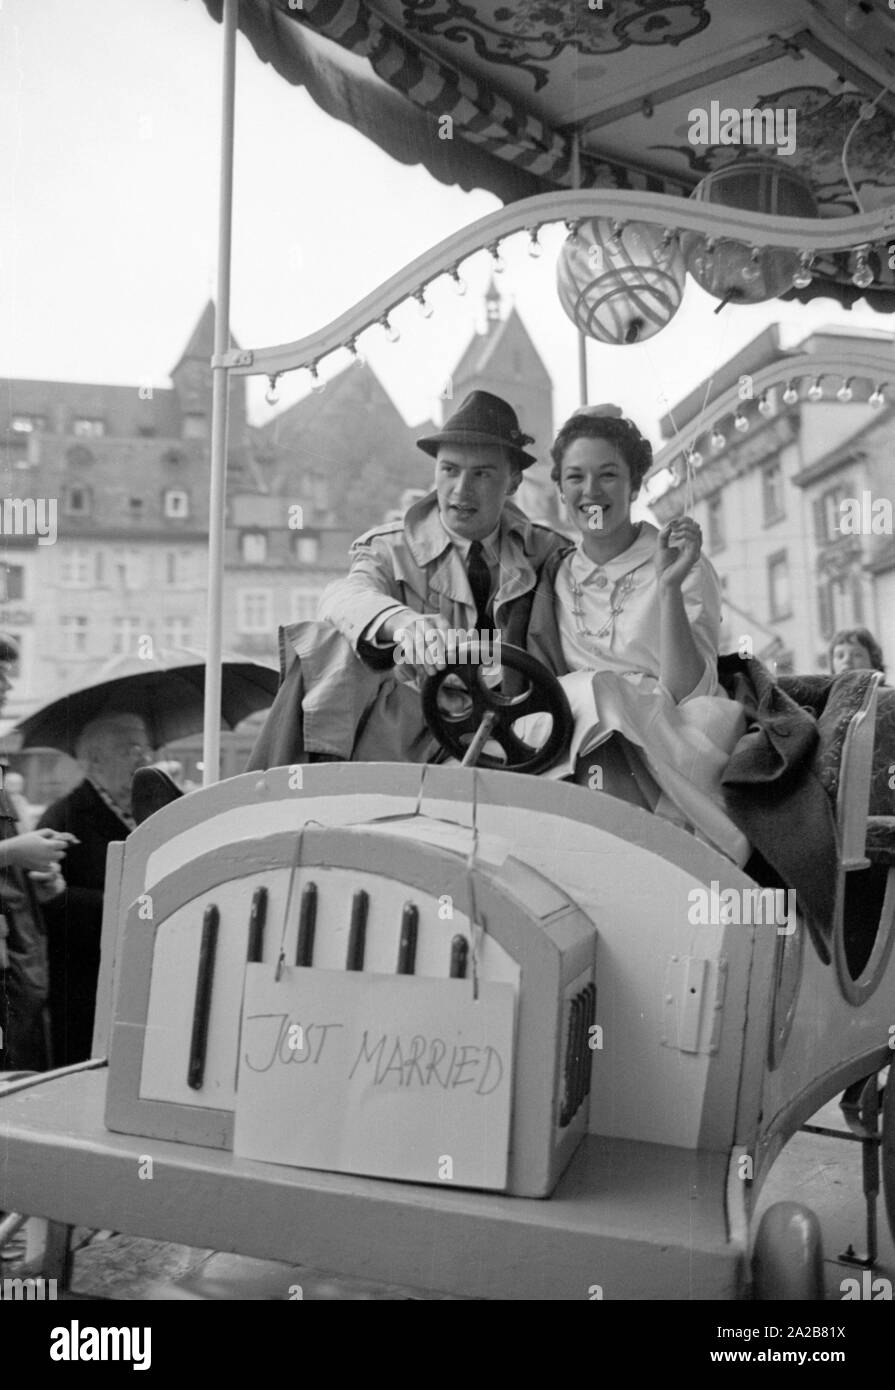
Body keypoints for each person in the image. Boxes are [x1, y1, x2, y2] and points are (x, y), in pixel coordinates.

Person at [246, 391, 568, 769]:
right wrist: (404, 624)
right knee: (324, 645)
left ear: (513, 481)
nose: (461, 490)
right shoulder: (389, 549)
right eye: (449, 470)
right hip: (413, 741)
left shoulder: (547, 553)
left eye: (481, 473)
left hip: (521, 737)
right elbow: (342, 597)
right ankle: (282, 797)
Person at [523, 405, 750, 864]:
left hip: (673, 732)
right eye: (575, 478)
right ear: (560, 488)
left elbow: (689, 692)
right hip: (576, 740)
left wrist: (668, 588)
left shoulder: (680, 562)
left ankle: (636, 855)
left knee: (596, 692)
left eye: (608, 475)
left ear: (635, 484)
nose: (591, 492)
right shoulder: (553, 573)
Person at [37, 711, 152, 1065]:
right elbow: (51, 904)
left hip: (140, 973)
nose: (142, 758)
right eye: (129, 748)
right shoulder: (64, 817)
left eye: (144, 748)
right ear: (96, 759)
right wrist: (124, 907)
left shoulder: (152, 811)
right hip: (84, 984)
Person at [0, 636, 75, 1071]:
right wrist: (15, 850)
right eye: (0, 679)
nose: (8, 690)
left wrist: (36, 878)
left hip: (19, 969)